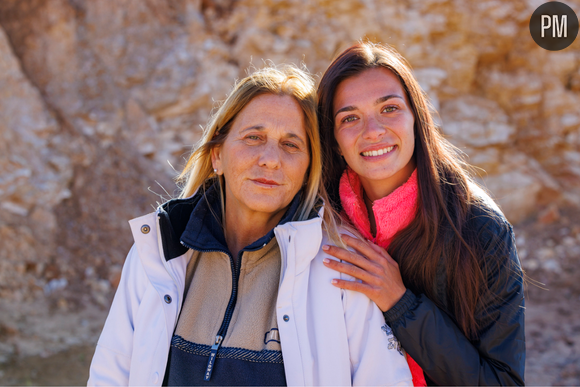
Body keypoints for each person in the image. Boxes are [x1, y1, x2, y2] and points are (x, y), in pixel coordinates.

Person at [87, 64, 413, 386]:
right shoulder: (158, 250)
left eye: (290, 144)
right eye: (254, 137)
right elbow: (110, 375)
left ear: (308, 169)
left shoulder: (340, 264)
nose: (270, 158)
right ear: (217, 156)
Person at [317, 42, 525, 386]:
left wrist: (400, 303)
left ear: (417, 117)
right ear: (334, 138)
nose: (373, 130)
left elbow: (502, 382)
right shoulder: (317, 221)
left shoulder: (480, 230)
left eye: (389, 108)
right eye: (350, 117)